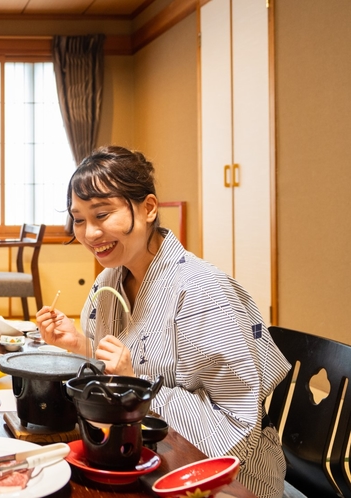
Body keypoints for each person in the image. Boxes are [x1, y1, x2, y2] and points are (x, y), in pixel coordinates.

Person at [36, 146, 290, 498]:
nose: (90, 233)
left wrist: (135, 383)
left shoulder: (201, 291)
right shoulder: (109, 281)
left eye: (103, 214)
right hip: (138, 457)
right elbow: (114, 368)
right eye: (79, 219)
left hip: (225, 480)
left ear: (149, 208)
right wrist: (80, 345)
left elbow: (239, 425)